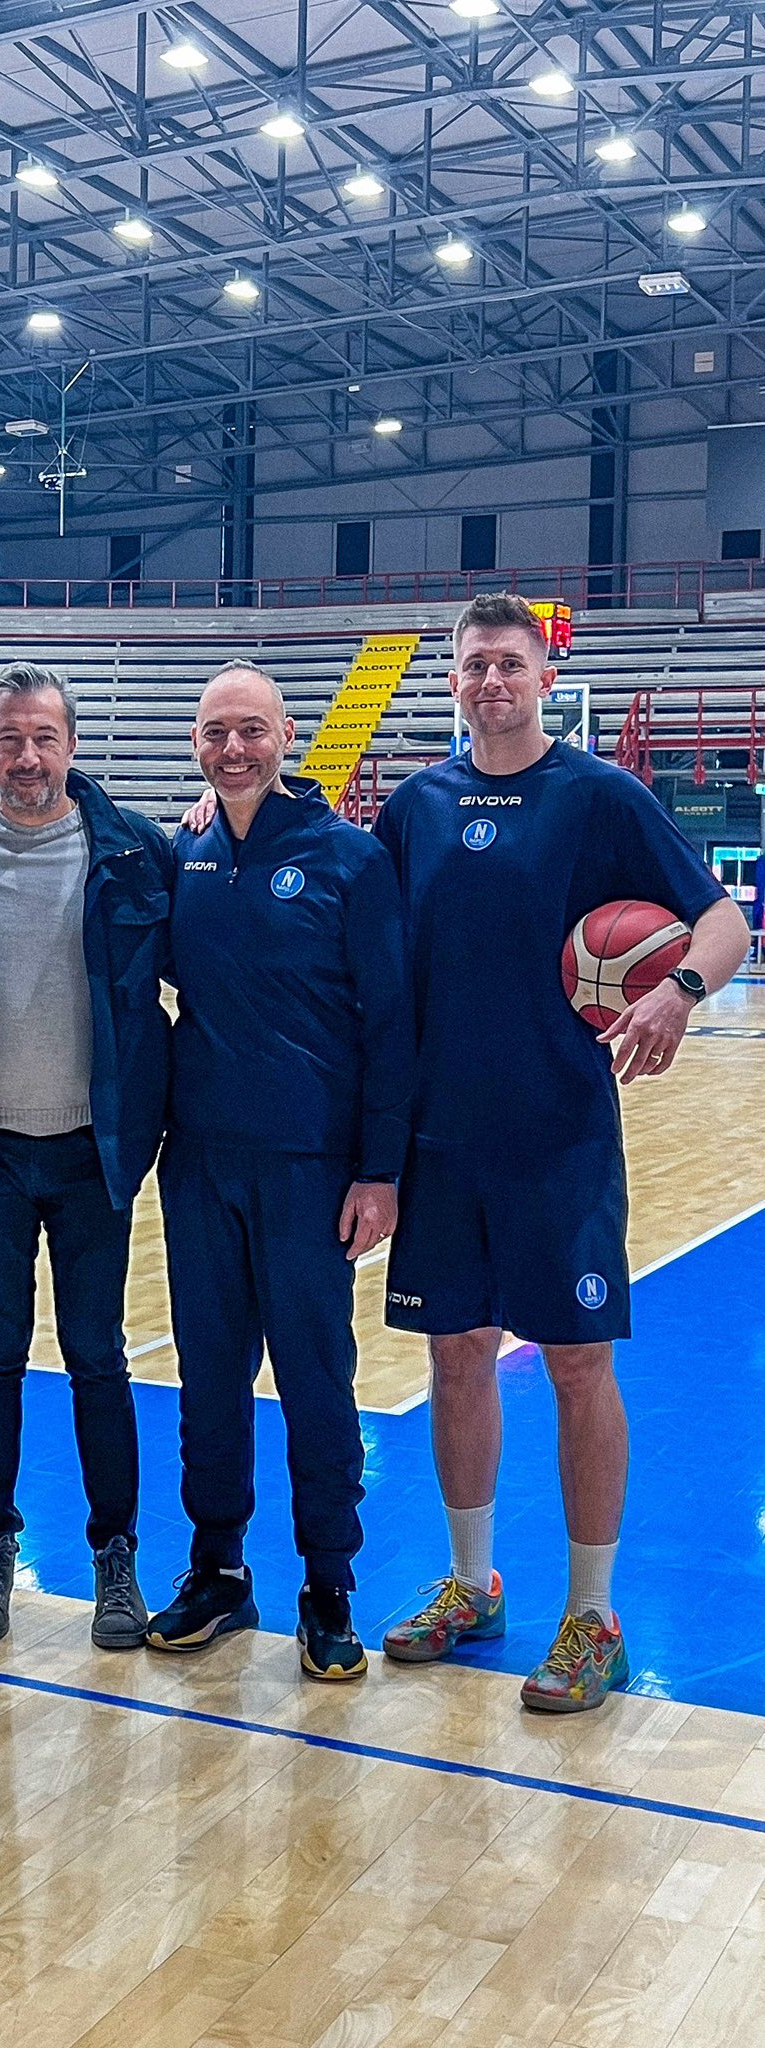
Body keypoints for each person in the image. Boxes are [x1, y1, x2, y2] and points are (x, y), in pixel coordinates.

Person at [375, 591, 751, 1712]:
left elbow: (722, 918)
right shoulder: (418, 805)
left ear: (546, 678)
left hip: (560, 1136)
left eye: (509, 663)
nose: (491, 680)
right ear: (453, 680)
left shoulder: (601, 794)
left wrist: (681, 991)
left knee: (580, 1365)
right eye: (474, 664)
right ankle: (469, 1582)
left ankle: (592, 1615)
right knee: (454, 1356)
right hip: (439, 1136)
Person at [0, 662, 175, 1650]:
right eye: (10, 739)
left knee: (98, 1356)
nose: (27, 757)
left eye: (43, 738)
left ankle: (116, 1556)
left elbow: (221, 969)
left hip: (94, 1151)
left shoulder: (141, 852)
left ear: (71, 745)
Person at [150, 664, 412, 1679]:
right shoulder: (184, 853)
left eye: (251, 728)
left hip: (312, 1168)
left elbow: (393, 1027)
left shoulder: (353, 858)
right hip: (202, 1159)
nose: (233, 747)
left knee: (316, 1380)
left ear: (288, 734)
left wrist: (380, 1170)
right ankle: (218, 1566)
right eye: (216, 729)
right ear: (196, 742)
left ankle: (328, 1583)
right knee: (208, 1377)